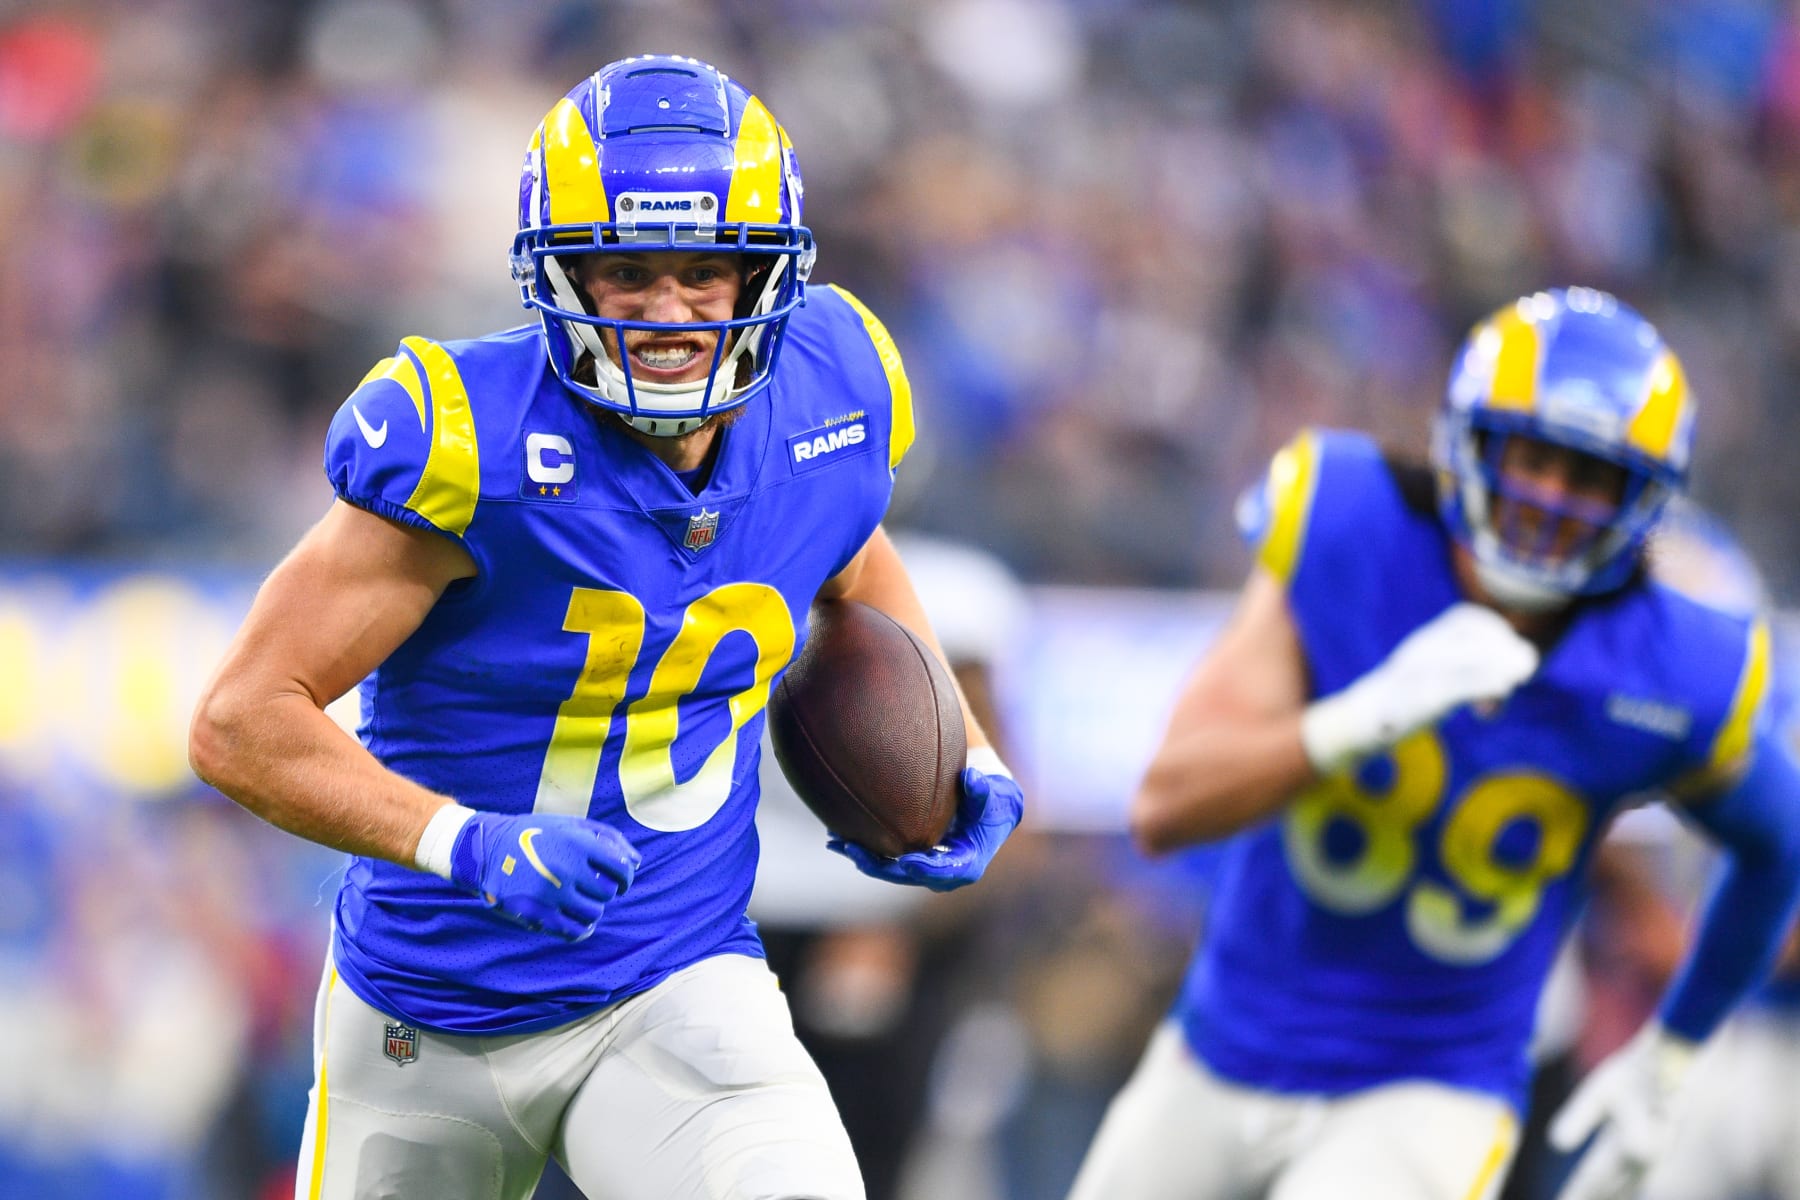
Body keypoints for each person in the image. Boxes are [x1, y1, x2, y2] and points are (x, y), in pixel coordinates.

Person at [187, 54, 1023, 1200]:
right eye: (626, 271)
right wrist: (462, 841)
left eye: (706, 270)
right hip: (431, 1017)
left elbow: (850, 555)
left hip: (676, 980)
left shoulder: (834, 394)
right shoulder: (460, 441)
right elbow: (238, 722)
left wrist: (960, 746)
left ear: (764, 276)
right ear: (558, 275)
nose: (669, 311)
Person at [1066, 286, 1800, 1200]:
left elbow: (1780, 848)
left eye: (1592, 476)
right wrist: (1355, 720)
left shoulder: (1668, 665)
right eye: (1533, 456)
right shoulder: (1350, 523)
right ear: (1468, 441)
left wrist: (1674, 1049)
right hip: (1218, 1046)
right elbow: (1165, 807)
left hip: (1429, 1090)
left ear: (1643, 501)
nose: (1551, 500)